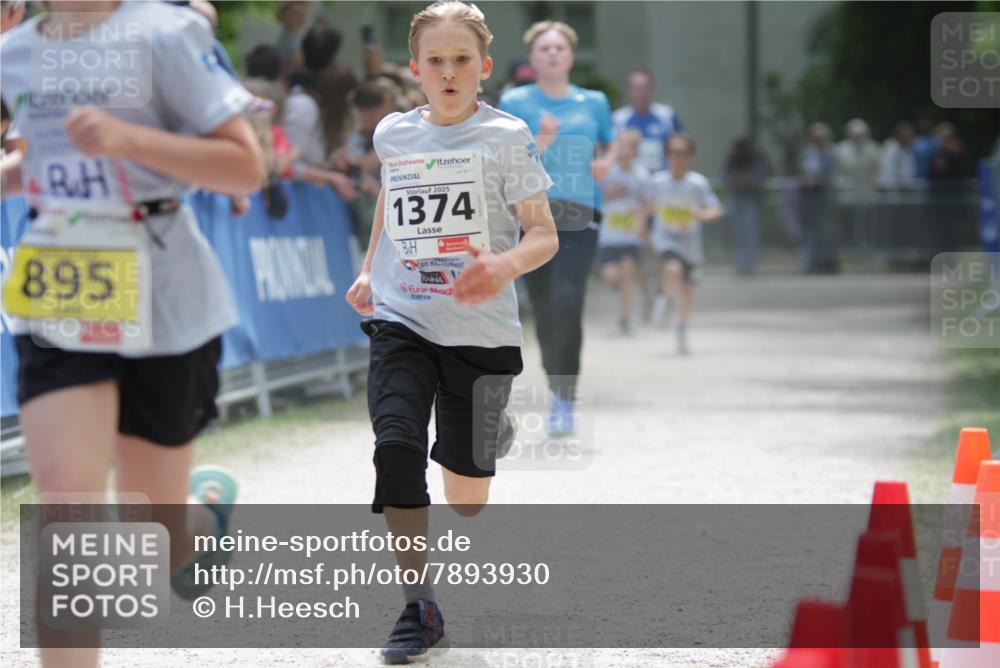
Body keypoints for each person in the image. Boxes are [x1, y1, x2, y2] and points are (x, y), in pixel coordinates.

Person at [0, 1, 264, 666]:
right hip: (61, 280)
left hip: (164, 285)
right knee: (69, 510)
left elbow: (244, 167)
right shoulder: (15, 53)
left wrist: (129, 140)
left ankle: (199, 518)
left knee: (156, 537)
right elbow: (38, 162)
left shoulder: (165, 33)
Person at [343, 1, 557, 663]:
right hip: (402, 319)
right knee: (395, 446)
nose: (448, 72)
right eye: (435, 60)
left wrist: (504, 265)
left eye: (461, 59)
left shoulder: (506, 136)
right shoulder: (394, 134)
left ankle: (491, 431)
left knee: (466, 499)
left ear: (484, 66)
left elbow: (543, 233)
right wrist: (369, 268)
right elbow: (391, 196)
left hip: (479, 333)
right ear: (415, 68)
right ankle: (420, 607)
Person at [498, 19, 615, 435]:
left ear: (571, 55)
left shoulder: (594, 101)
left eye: (559, 48)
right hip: (532, 212)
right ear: (532, 58)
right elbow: (505, 157)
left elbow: (610, 141)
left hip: (581, 211)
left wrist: (606, 162)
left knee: (569, 300)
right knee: (545, 307)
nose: (552, 54)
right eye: (544, 49)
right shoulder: (515, 100)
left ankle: (566, 398)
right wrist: (542, 142)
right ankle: (556, 386)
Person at [646, 134, 723, 354]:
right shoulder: (658, 182)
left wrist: (701, 214)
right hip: (665, 240)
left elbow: (716, 209)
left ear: (690, 157)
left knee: (688, 290)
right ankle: (665, 301)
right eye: (673, 154)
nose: (677, 159)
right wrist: (642, 229)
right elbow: (646, 207)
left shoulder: (697, 184)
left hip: (691, 246)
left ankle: (681, 329)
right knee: (673, 269)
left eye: (682, 154)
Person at [282, 23, 358, 200]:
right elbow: (284, 164)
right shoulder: (303, 107)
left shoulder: (319, 110)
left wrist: (333, 165)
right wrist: (329, 177)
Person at [598, 130, 650, 335]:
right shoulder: (608, 172)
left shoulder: (642, 175)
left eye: (627, 147)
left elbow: (648, 203)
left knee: (628, 272)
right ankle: (629, 294)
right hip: (610, 234)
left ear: (635, 151)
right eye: (620, 146)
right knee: (611, 276)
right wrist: (611, 193)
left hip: (631, 233)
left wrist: (642, 221)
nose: (623, 151)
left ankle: (625, 317)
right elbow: (596, 196)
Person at [612, 67, 684, 173]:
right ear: (629, 91)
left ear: (652, 89)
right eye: (637, 88)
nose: (642, 93)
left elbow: (682, 147)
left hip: (661, 178)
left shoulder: (667, 115)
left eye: (646, 88)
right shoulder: (618, 119)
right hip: (631, 180)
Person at [722, 137, 768, 275]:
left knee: (750, 232)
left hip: (750, 199)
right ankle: (740, 263)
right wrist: (733, 180)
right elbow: (725, 177)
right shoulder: (731, 161)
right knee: (738, 233)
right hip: (735, 199)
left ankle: (750, 263)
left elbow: (759, 177)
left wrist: (745, 180)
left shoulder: (754, 159)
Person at [835, 118, 880, 255]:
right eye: (855, 135)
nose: (858, 137)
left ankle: (867, 250)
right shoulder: (842, 149)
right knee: (848, 224)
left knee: (867, 224)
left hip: (867, 195)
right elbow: (839, 172)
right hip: (848, 196)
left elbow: (877, 171)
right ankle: (848, 249)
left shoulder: (873, 149)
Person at [799, 122, 839, 274]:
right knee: (810, 231)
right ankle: (810, 264)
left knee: (827, 230)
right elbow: (803, 171)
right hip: (810, 197)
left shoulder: (831, 153)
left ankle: (828, 263)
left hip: (824, 196)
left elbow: (831, 173)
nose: (818, 141)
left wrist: (818, 179)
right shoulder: (808, 153)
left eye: (820, 138)